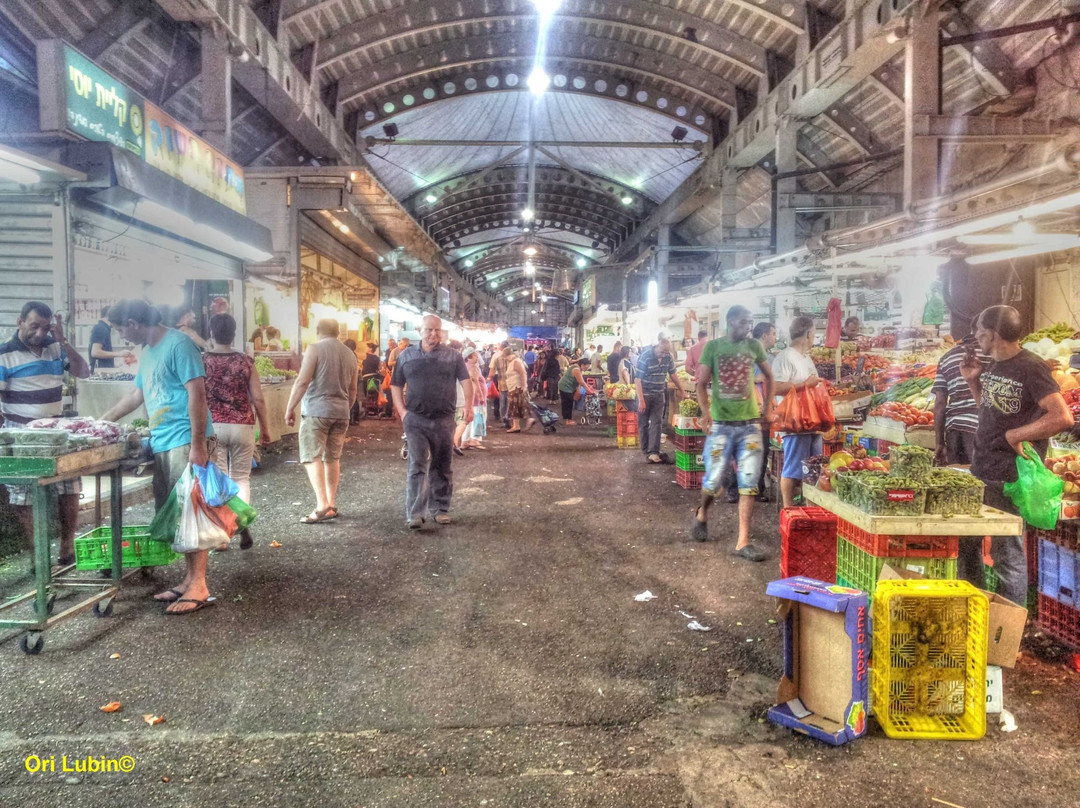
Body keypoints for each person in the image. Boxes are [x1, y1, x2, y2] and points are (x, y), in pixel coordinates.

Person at [101, 299, 215, 614]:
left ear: (134, 323)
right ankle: (188, 579)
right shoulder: (148, 352)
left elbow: (198, 393)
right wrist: (102, 422)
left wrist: (198, 444)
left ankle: (199, 584)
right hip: (164, 440)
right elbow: (137, 394)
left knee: (191, 510)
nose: (122, 336)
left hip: (185, 439)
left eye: (122, 329)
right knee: (174, 513)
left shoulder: (179, 345)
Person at [960, 305, 1073, 605]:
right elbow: (991, 409)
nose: (977, 338)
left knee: (1006, 552)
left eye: (980, 332)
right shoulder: (994, 365)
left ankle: (1010, 630)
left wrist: (1017, 435)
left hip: (1010, 475)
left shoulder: (1032, 367)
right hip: (982, 468)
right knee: (967, 544)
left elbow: (1062, 417)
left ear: (993, 334)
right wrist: (973, 381)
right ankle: (977, 612)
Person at [0, 301, 91, 569]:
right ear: (20, 322)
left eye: (45, 327)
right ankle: (37, 554)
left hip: (56, 432)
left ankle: (66, 547)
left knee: (70, 487)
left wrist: (63, 341)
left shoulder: (54, 347)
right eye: (34, 326)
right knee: (22, 494)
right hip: (20, 434)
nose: (40, 333)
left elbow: (83, 371)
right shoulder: (5, 354)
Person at [691, 305, 775, 561]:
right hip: (721, 428)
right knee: (713, 480)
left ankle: (742, 542)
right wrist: (706, 412)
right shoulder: (714, 347)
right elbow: (701, 384)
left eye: (749, 322)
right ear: (729, 322)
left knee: (749, 484)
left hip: (750, 425)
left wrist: (768, 409)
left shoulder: (754, 347)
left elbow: (770, 377)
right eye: (742, 322)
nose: (747, 326)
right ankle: (702, 513)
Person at [391, 315, 473, 529]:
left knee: (442, 465)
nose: (433, 334)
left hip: (444, 419)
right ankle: (415, 513)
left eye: (437, 330)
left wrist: (469, 406)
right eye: (429, 330)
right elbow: (396, 384)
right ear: (420, 330)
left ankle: (440, 509)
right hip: (415, 420)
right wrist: (402, 411)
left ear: (442, 332)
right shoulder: (406, 356)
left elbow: (466, 381)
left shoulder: (453, 356)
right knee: (417, 465)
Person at [203, 313, 271, 550]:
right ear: (233, 334)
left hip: (213, 426)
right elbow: (259, 399)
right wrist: (265, 429)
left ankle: (223, 535)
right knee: (241, 478)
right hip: (243, 425)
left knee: (219, 478)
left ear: (211, 333)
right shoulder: (246, 362)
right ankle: (241, 523)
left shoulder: (202, 361)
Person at [284, 318, 358, 524]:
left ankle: (321, 504)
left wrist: (290, 407)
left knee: (311, 456)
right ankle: (331, 505)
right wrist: (346, 408)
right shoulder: (350, 354)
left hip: (317, 411)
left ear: (318, 331)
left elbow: (302, 381)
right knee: (332, 458)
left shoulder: (314, 349)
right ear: (338, 333)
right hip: (341, 412)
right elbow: (353, 390)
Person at [770, 316, 822, 508]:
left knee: (813, 469)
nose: (813, 337)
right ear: (808, 334)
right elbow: (775, 387)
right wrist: (804, 385)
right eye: (814, 333)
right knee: (792, 469)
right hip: (795, 423)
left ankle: (810, 508)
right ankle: (788, 509)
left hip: (812, 422)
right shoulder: (785, 357)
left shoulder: (806, 358)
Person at [635, 335, 694, 464]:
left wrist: (683, 391)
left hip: (659, 395)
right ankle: (646, 450)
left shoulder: (668, 357)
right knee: (643, 424)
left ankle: (653, 452)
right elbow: (637, 379)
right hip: (644, 394)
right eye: (662, 352)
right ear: (657, 346)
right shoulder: (645, 356)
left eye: (666, 353)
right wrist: (641, 400)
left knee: (657, 422)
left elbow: (673, 374)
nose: (663, 355)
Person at [933, 333, 989, 466]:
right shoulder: (993, 355)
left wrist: (939, 442)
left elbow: (940, 403)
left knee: (958, 480)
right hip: (980, 425)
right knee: (982, 480)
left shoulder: (947, 357)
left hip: (954, 428)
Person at [89, 305, 132, 372]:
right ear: (109, 316)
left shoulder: (104, 328)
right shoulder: (100, 328)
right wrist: (119, 354)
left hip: (102, 370)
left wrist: (112, 364)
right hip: (100, 372)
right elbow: (95, 352)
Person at [502, 346, 535, 433]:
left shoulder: (516, 362)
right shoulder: (513, 361)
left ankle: (519, 424)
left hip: (517, 387)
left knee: (516, 406)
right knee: (517, 406)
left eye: (505, 357)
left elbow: (523, 374)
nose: (504, 359)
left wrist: (524, 386)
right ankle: (517, 424)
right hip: (513, 386)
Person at [558, 357, 591, 425]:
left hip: (565, 385)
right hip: (566, 387)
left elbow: (579, 382)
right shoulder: (576, 369)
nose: (586, 369)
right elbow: (581, 382)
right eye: (585, 368)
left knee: (566, 402)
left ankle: (566, 417)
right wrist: (589, 390)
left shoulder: (575, 366)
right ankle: (568, 420)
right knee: (568, 402)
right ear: (582, 364)